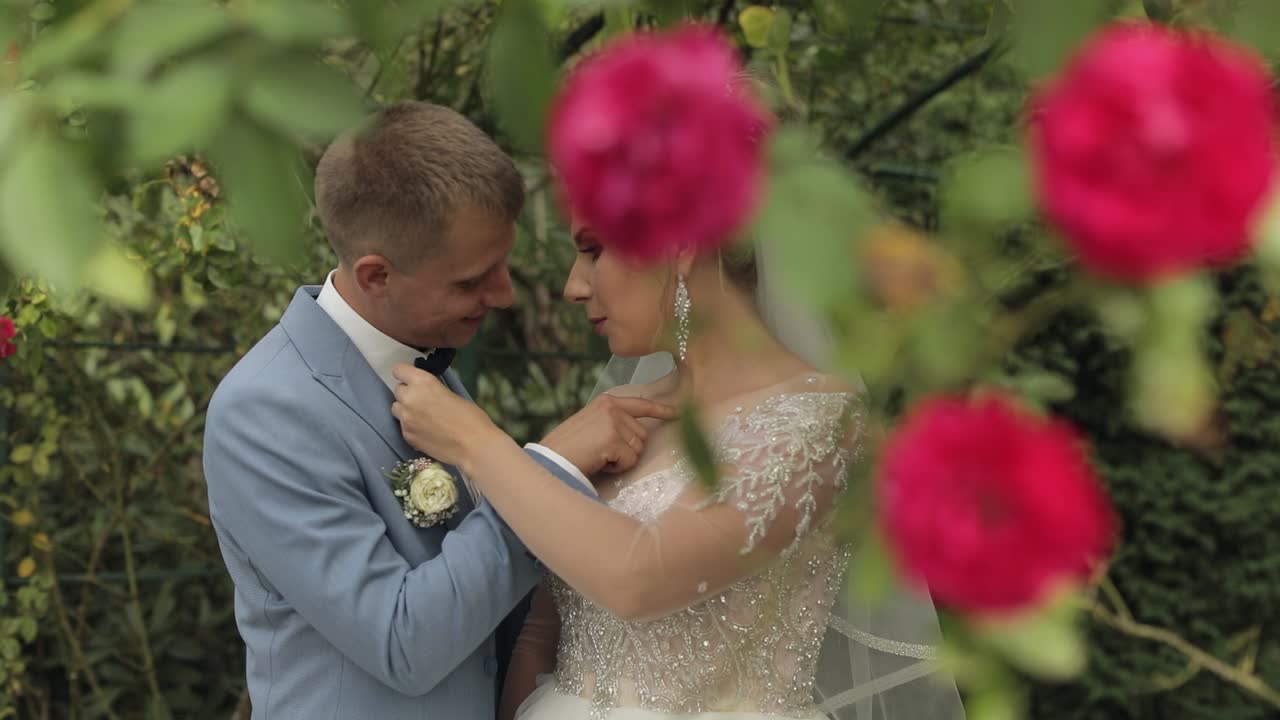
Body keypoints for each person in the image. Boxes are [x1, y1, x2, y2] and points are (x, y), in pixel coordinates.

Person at [202, 101, 673, 719]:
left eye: (503, 264)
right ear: (377, 276)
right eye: (471, 280)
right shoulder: (264, 412)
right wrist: (548, 467)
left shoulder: (429, 363)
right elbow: (404, 643)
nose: (503, 295)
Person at [391, 219, 966, 719]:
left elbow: (641, 578)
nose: (573, 285)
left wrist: (475, 443)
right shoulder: (619, 415)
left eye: (593, 250)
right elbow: (543, 632)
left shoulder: (823, 426)